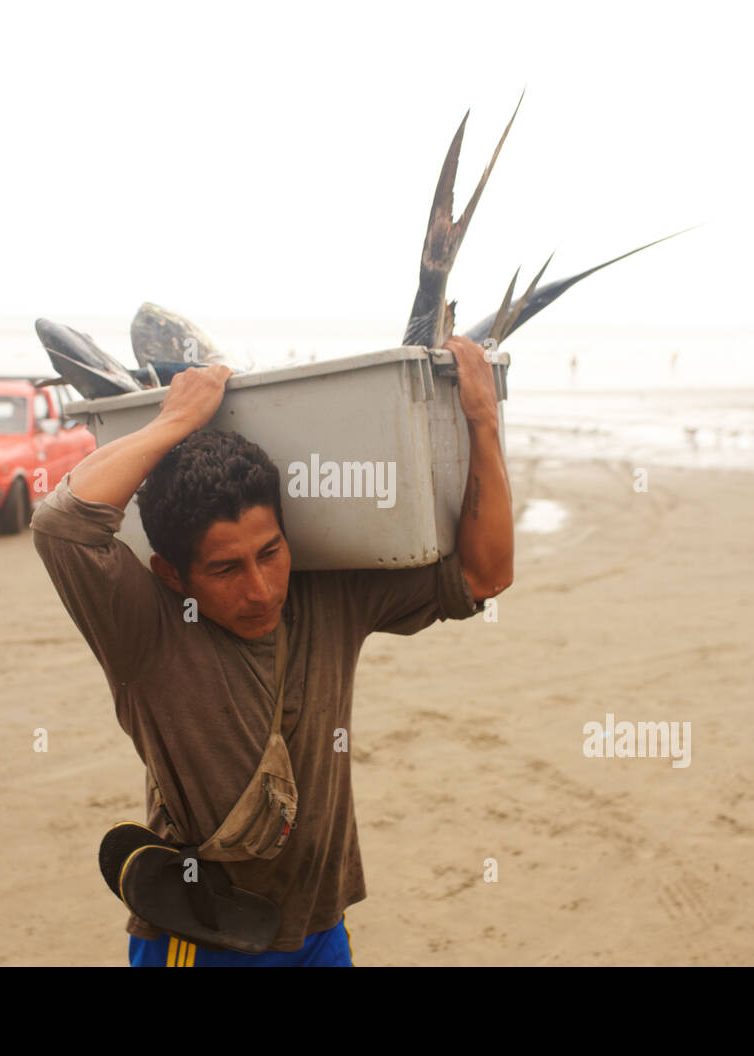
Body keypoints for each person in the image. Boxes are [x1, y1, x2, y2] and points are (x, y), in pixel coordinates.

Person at [31, 335, 513, 967]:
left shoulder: (329, 594)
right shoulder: (145, 629)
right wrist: (175, 421)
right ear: (172, 575)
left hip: (320, 926)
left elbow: (486, 574)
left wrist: (481, 419)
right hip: (203, 934)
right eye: (226, 570)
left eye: (271, 552)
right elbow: (61, 525)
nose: (261, 591)